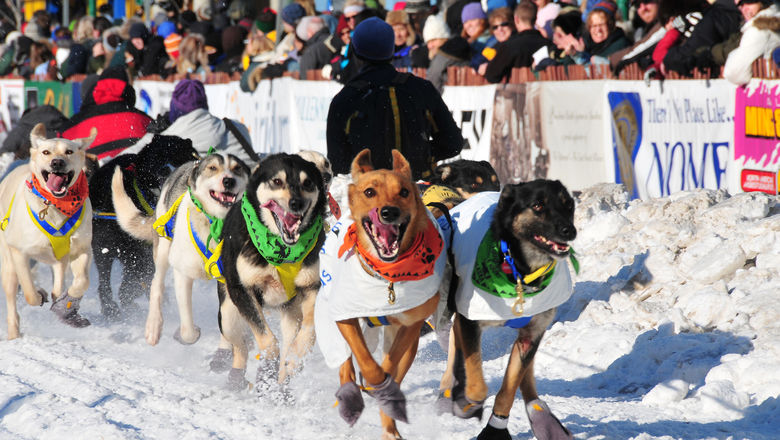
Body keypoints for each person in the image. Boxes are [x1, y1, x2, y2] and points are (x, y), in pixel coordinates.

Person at [326, 17, 464, 180]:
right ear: (392, 50)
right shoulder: (421, 88)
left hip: (369, 195)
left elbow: (337, 164)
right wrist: (421, 155)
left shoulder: (345, 99)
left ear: (355, 51)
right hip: (416, 193)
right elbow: (452, 143)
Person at [121, 79, 257, 164]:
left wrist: (152, 135)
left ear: (175, 109)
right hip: (242, 204)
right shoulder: (236, 129)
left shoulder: (164, 140)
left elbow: (124, 160)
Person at [60, 66, 152, 161]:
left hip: (93, 172)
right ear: (128, 90)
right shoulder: (144, 119)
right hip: (134, 169)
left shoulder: (71, 126)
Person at [482, 3, 549, 82]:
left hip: (518, 92)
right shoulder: (548, 43)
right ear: (535, 18)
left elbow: (491, 76)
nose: (499, 29)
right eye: (495, 27)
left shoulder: (510, 46)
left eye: (504, 24)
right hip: (546, 91)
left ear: (516, 19)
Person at [724, 0, 779, 85]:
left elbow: (735, 72)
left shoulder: (758, 30)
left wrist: (733, 54)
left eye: (750, 2)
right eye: (741, 5)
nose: (745, 9)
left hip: (769, 91)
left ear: (763, 3)